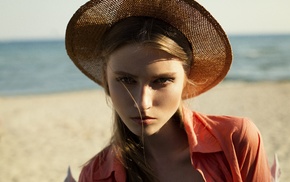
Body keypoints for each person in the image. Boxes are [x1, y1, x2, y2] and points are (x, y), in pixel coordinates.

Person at [65, 0, 272, 181]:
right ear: (106, 81)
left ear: (185, 80)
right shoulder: (96, 175)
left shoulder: (235, 140)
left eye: (162, 80)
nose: (142, 102)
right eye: (126, 79)